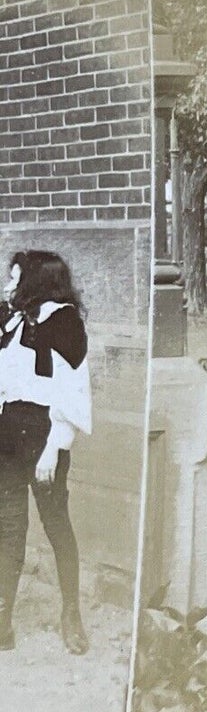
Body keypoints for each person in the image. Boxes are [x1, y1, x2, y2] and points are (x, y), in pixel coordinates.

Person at [0, 250, 93, 655]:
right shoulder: (9, 320)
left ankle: (71, 614)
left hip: (44, 437)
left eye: (15, 279)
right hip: (6, 436)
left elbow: (73, 391)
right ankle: (3, 621)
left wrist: (54, 449)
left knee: (56, 526)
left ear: (36, 283)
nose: (7, 286)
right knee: (8, 531)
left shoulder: (65, 322)